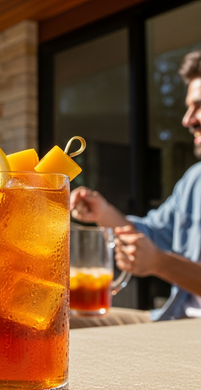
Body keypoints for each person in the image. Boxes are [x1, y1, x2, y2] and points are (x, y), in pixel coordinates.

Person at [70, 49, 201, 321]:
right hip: (172, 316)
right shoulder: (194, 181)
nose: (187, 120)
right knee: (61, 320)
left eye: (198, 106)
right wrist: (103, 213)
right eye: (189, 107)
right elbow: (152, 234)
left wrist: (161, 263)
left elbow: (155, 254)